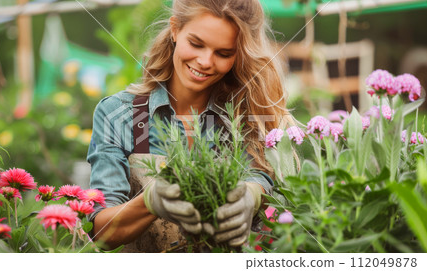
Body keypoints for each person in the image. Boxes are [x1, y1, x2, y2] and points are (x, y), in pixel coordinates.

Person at [87, 0, 294, 252]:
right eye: (196, 44)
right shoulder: (118, 115)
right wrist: (150, 201)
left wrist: (253, 193)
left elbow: (258, 173)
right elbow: (100, 231)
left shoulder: (243, 114)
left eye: (224, 53)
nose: (206, 61)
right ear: (175, 30)